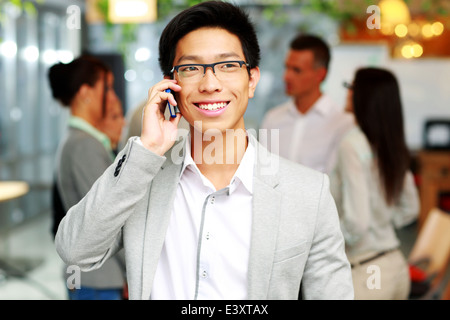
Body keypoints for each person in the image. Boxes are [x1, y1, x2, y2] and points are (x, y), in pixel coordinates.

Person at [55, 1, 354, 300]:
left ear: (251, 80)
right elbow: (75, 251)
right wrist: (148, 149)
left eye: (227, 65)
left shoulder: (308, 193)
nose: (210, 84)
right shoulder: (141, 176)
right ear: (170, 85)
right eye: (191, 68)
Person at [330, 67, 420, 300]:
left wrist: (325, 236)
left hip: (368, 273)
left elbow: (357, 223)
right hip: (395, 266)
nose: (348, 92)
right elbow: (410, 209)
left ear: (364, 96)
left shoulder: (352, 145)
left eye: (351, 87)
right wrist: (383, 221)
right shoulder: (390, 142)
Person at [48, 54, 127, 300]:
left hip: (95, 279)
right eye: (107, 88)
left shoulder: (81, 141)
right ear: (86, 93)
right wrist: (134, 269)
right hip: (98, 280)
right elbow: (107, 220)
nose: (113, 97)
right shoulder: (84, 145)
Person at [260, 34, 354, 174]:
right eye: (287, 68)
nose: (286, 76)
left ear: (320, 75)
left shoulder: (342, 123)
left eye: (296, 70)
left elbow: (336, 184)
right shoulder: (272, 119)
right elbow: (263, 175)